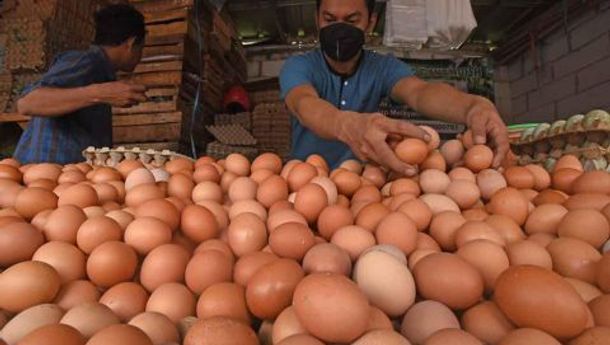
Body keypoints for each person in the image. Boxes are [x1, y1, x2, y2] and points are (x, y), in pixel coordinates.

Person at [280, 0, 510, 176]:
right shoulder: (299, 66)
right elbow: (303, 103)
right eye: (329, 20)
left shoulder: (382, 67)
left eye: (351, 21)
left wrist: (472, 106)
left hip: (364, 184)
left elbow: (419, 93)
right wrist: (345, 123)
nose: (339, 29)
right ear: (317, 19)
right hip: (304, 181)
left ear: (370, 22)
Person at [13, 4, 148, 164]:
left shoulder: (102, 72)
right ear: (131, 44)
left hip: (67, 181)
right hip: (44, 180)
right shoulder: (86, 62)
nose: (141, 55)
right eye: (142, 47)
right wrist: (99, 93)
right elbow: (27, 103)